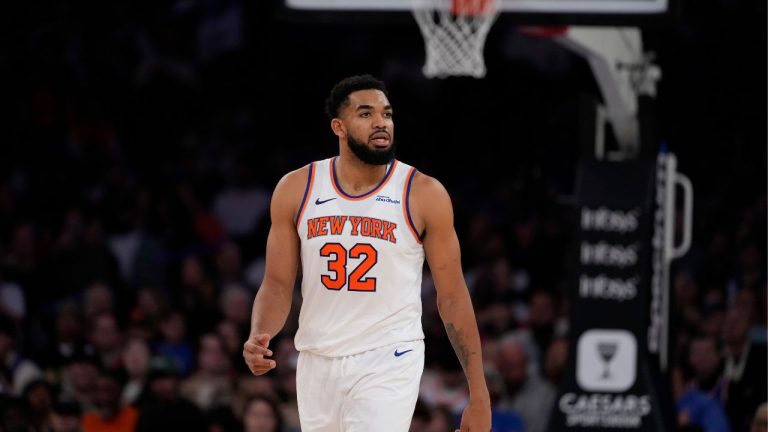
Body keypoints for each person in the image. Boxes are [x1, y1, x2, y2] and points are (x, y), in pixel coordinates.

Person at [242, 74, 491, 432]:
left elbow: (452, 297)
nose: (381, 122)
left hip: (389, 357)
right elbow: (278, 284)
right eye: (366, 114)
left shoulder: (423, 193)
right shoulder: (297, 189)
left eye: (387, 114)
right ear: (338, 127)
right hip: (317, 359)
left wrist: (478, 394)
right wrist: (259, 334)